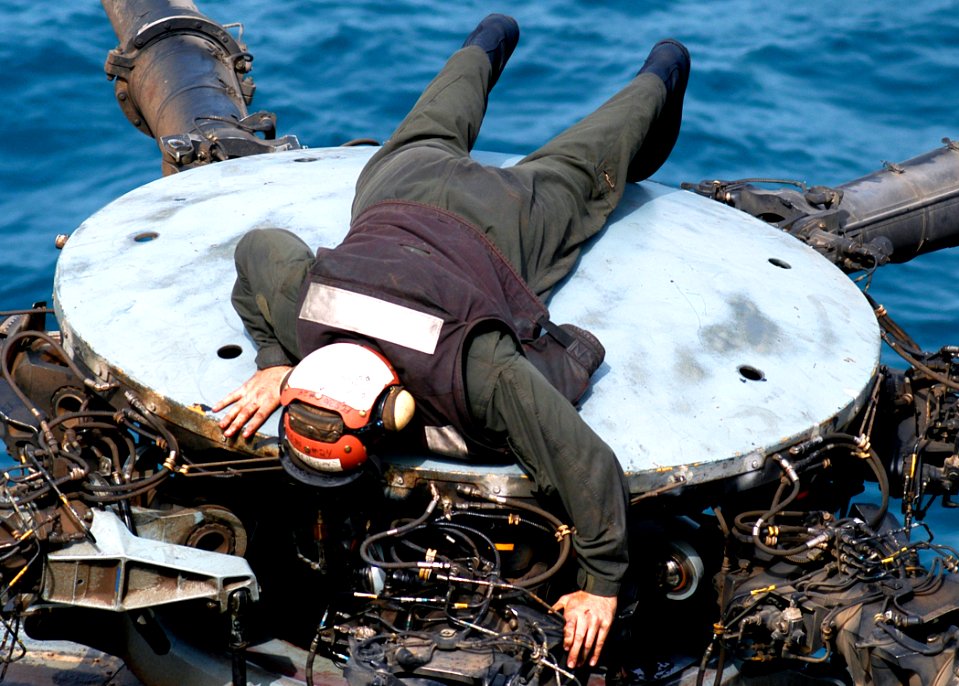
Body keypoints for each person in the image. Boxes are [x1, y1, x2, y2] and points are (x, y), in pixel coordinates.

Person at [214, 14, 689, 670]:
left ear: (393, 413)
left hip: (500, 228)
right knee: (453, 121)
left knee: (585, 164)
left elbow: (585, 463)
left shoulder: (476, 369)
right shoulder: (308, 310)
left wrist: (601, 586)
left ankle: (661, 70)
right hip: (398, 193)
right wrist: (278, 362)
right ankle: (499, 45)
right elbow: (260, 249)